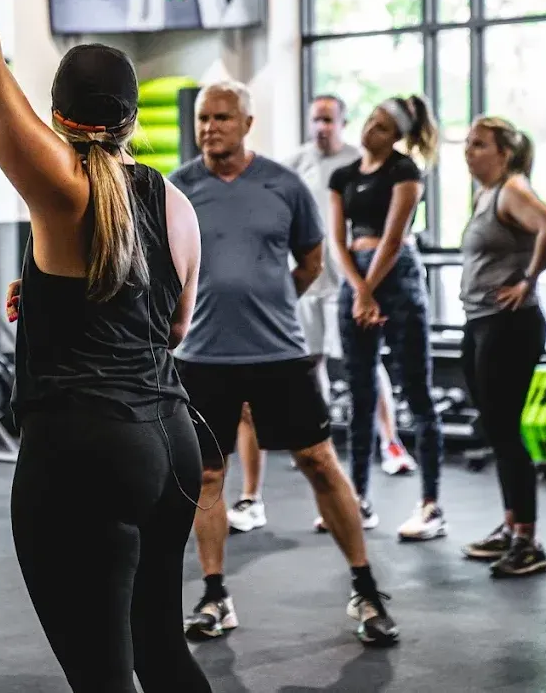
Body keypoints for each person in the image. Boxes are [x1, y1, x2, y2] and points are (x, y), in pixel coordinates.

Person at [0, 0, 213, 692]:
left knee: (100, 676)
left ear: (56, 117)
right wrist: (59, 306)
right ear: (131, 119)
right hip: (171, 436)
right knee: (162, 652)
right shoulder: (175, 201)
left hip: (87, 446)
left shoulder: (63, 183)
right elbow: (169, 326)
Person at [170, 80, 398, 648]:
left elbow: (311, 260)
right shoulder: (178, 189)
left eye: (222, 117)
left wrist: (267, 302)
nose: (209, 128)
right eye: (203, 118)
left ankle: (366, 588)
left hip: (279, 351)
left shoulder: (284, 184)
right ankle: (214, 595)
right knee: (208, 475)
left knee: (319, 461)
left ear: (247, 123)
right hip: (203, 356)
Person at [226, 94, 415, 537]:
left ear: (342, 122)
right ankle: (319, 442)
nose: (322, 127)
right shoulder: (296, 163)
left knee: (365, 366)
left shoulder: (357, 164)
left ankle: (391, 443)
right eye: (316, 119)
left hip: (349, 282)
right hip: (311, 284)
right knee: (313, 365)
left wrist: (365, 285)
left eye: (329, 120)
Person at [329, 95, 444, 541]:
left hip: (397, 279)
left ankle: (430, 505)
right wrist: (360, 291)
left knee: (416, 390)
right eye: (369, 120)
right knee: (360, 394)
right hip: (356, 280)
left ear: (396, 135)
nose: (368, 130)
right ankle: (356, 498)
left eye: (381, 126)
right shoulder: (343, 176)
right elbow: (337, 240)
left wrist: (369, 289)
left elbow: (394, 240)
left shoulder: (405, 171)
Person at [458, 117, 546, 577]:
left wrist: (528, 280)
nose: (469, 151)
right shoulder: (485, 193)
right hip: (481, 321)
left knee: (504, 431)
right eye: (467, 143)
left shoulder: (512, 189)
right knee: (496, 428)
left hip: (510, 325)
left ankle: (527, 541)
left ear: (504, 153)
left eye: (479, 144)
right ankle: (510, 526)